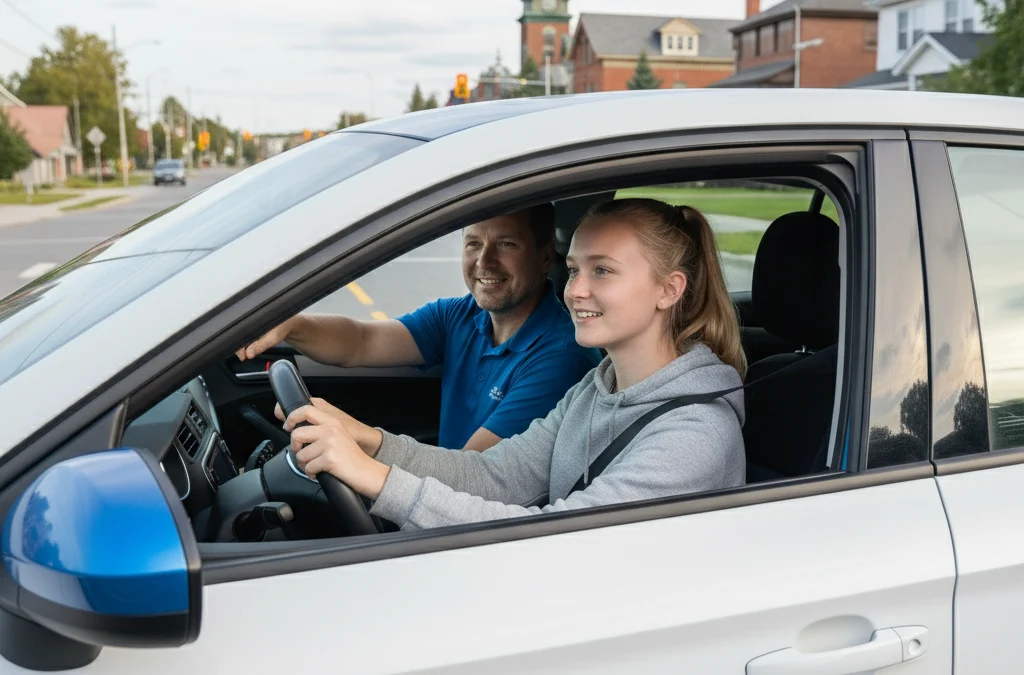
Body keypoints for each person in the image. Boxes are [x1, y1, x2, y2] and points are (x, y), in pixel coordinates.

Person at [280, 199, 748, 530]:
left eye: (601, 270)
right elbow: (494, 477)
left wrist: (374, 477)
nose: (575, 290)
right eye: (574, 269)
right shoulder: (596, 387)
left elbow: (561, 537)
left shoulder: (695, 432)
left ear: (669, 290)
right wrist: (367, 440)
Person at [238, 204, 601, 451]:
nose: (484, 261)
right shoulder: (459, 315)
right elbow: (360, 342)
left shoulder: (562, 356)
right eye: (473, 243)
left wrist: (352, 438)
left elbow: (473, 471)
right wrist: (292, 323)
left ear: (543, 256)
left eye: (506, 244)